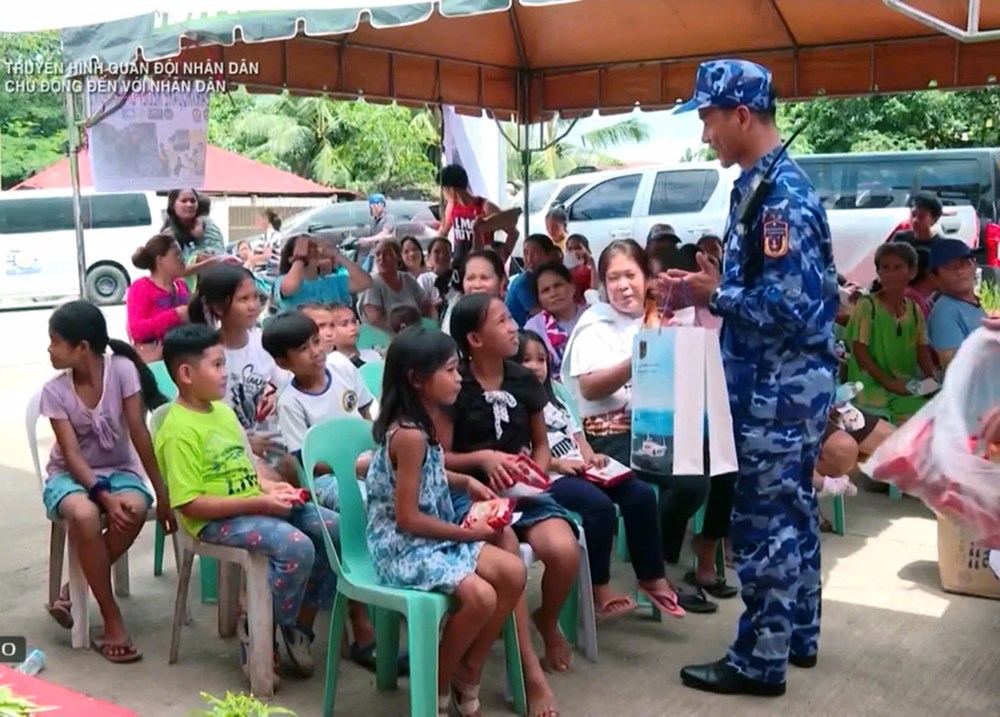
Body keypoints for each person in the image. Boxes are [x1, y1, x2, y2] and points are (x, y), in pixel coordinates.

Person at [667, 59, 839, 696]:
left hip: (780, 388)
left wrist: (720, 297)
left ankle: (758, 661)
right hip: (777, 384)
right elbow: (756, 287)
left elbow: (793, 310)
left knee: (764, 521)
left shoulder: (781, 201)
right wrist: (704, 290)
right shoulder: (755, 187)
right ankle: (797, 634)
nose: (705, 133)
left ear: (741, 115)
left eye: (709, 119)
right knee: (792, 510)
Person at [155, 324, 339, 682]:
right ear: (187, 374)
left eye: (225, 363)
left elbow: (248, 468)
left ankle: (297, 626)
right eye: (218, 365)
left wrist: (274, 490)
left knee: (336, 529)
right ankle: (258, 628)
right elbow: (191, 504)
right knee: (296, 546)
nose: (226, 374)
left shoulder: (221, 412)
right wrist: (259, 503)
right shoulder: (177, 430)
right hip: (214, 520)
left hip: (252, 503)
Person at [364, 325, 526, 714]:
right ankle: (435, 680)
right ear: (417, 379)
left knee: (514, 572)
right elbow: (406, 519)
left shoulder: (422, 422)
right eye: (451, 370)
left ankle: (468, 670)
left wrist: (465, 480)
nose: (459, 378)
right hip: (404, 548)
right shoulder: (409, 434)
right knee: (481, 596)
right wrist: (466, 533)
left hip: (432, 538)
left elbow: (428, 471)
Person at [443, 294, 570, 715]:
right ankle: (529, 672)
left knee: (563, 549)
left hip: (521, 493)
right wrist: (483, 459)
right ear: (475, 338)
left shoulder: (522, 380)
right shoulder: (454, 384)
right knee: (509, 549)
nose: (514, 326)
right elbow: (439, 457)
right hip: (471, 496)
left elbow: (540, 445)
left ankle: (546, 621)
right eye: (502, 321)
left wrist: (532, 471)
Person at [560, 240, 697, 614]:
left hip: (651, 427)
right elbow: (589, 387)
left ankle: (662, 561)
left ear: (647, 278)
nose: (623, 286)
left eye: (630, 275)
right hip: (605, 435)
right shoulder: (595, 325)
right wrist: (638, 356)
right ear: (603, 284)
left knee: (707, 472)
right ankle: (655, 571)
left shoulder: (651, 319)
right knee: (673, 483)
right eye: (613, 277)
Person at [40, 301, 175, 663]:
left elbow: (138, 432)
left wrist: (161, 494)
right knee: (83, 515)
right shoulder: (54, 392)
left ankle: (73, 588)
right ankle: (111, 617)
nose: (49, 350)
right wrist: (103, 496)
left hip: (119, 471)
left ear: (82, 347)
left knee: (134, 507)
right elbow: (71, 454)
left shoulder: (123, 370)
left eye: (55, 342)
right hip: (70, 476)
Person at [517, 330, 676, 621]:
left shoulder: (558, 393)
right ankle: (598, 587)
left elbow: (577, 435)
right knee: (598, 507)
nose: (535, 366)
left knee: (640, 494)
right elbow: (520, 454)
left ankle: (651, 576)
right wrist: (557, 465)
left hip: (580, 468)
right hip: (548, 478)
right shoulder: (513, 400)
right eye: (525, 360)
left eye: (540, 359)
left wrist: (591, 457)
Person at [188, 264, 290, 455]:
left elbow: (287, 385)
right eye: (243, 299)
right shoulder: (205, 355)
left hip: (275, 443)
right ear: (218, 307)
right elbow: (203, 416)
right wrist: (244, 442)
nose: (253, 306)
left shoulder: (264, 342)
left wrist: (276, 397)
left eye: (255, 297)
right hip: (229, 449)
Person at [846, 243, 937, 424]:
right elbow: (860, 351)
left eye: (898, 267)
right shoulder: (867, 306)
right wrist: (888, 383)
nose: (890, 273)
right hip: (871, 386)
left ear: (912, 272)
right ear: (878, 273)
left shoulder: (913, 310)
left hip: (904, 384)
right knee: (913, 416)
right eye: (885, 268)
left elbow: (921, 348)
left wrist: (931, 378)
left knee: (933, 409)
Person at [439, 164, 521, 264]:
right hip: (460, 266)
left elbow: (513, 233)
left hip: (482, 265)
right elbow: (443, 234)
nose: (443, 194)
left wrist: (502, 259)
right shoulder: (452, 207)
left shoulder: (485, 207)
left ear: (451, 189)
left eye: (443, 189)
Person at [127, 234, 190, 362]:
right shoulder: (141, 287)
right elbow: (136, 330)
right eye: (176, 255)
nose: (182, 258)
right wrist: (175, 315)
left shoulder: (181, 286)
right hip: (157, 361)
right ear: (160, 260)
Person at [927, 239, 985, 369]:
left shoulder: (971, 303)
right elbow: (955, 368)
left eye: (964, 264)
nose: (959, 271)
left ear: (974, 265)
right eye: (949, 267)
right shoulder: (945, 313)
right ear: (935, 277)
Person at [275, 234, 372, 311]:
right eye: (307, 248)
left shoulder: (334, 281)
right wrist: (300, 258)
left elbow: (365, 283)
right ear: (290, 258)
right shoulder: (282, 281)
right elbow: (288, 288)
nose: (312, 251)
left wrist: (335, 253)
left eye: (314, 246)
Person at [524, 262, 586, 374]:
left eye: (558, 285)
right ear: (539, 299)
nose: (553, 293)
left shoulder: (591, 315)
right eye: (545, 290)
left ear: (572, 286)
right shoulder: (533, 328)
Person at [360, 239, 435, 330]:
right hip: (386, 339)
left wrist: (433, 324)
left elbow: (426, 305)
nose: (381, 258)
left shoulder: (408, 279)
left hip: (415, 334)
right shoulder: (372, 283)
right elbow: (375, 320)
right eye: (378, 254)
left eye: (387, 254)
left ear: (398, 257)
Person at [161, 189, 226, 280]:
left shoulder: (208, 224)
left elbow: (220, 253)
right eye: (184, 201)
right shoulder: (168, 235)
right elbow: (173, 271)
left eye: (193, 201)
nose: (189, 204)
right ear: (172, 205)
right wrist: (201, 261)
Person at [506, 234, 560, 327]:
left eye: (535, 253)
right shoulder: (523, 282)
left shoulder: (548, 277)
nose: (529, 259)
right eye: (526, 253)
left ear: (549, 255)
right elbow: (541, 315)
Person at [328, 303, 383, 368]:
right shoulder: (331, 364)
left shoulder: (374, 355)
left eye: (354, 321)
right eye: (344, 324)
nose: (353, 328)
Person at [354, 193, 396, 271]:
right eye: (371, 205)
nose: (373, 208)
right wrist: (362, 242)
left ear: (382, 205)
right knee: (363, 271)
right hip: (374, 252)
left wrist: (368, 239)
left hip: (386, 252)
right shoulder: (374, 220)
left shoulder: (389, 218)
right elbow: (374, 239)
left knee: (376, 273)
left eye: (375, 205)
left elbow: (384, 234)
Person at [400, 235, 442, 312]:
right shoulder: (400, 280)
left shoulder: (431, 276)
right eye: (406, 252)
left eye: (415, 249)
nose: (411, 254)